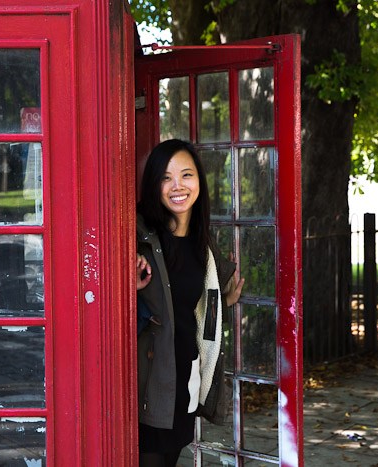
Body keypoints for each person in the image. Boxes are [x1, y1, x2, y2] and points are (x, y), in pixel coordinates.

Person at [136, 139, 244, 466]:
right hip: (152, 382)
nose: (177, 186)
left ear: (199, 181)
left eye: (186, 175)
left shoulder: (202, 244)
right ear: (153, 184)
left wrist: (219, 303)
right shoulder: (137, 238)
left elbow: (186, 310)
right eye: (166, 178)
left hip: (186, 378)